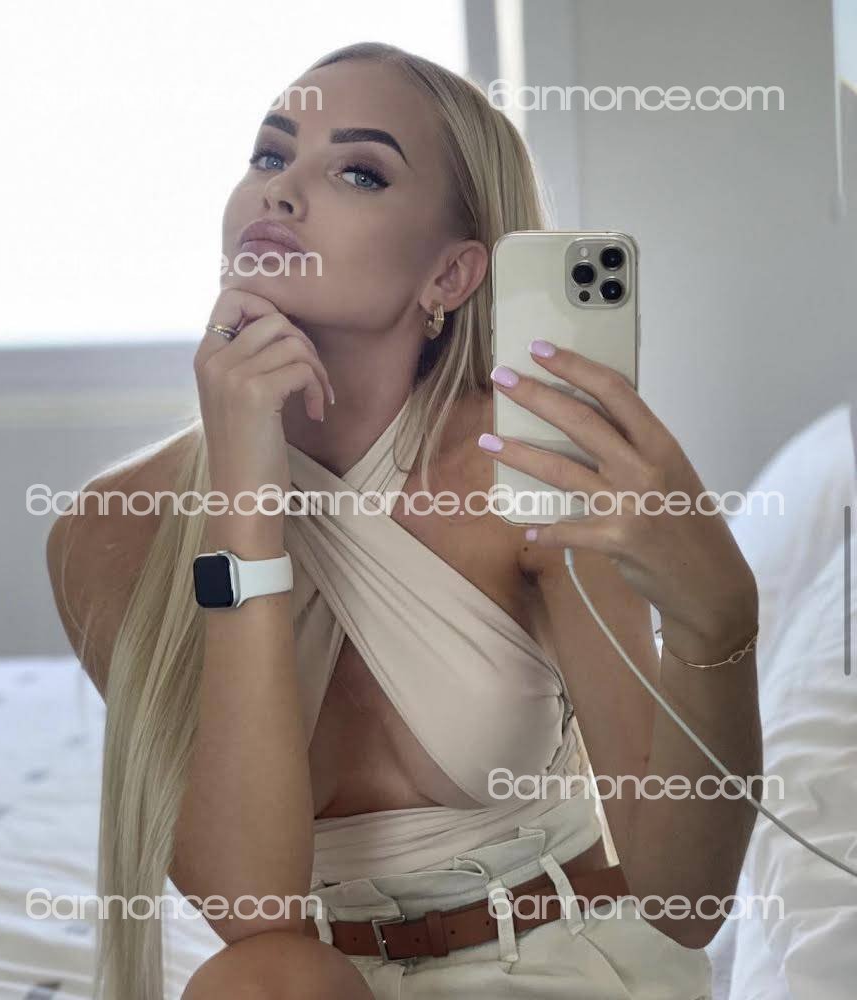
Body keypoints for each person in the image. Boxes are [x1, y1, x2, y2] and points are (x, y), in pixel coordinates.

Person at [46, 41, 761, 1000]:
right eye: (269, 155)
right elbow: (254, 914)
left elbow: (685, 901)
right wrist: (245, 505)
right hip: (314, 985)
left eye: (358, 172)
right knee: (255, 981)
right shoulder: (110, 530)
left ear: (451, 277)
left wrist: (720, 627)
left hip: (561, 961)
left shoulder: (529, 474)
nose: (280, 191)